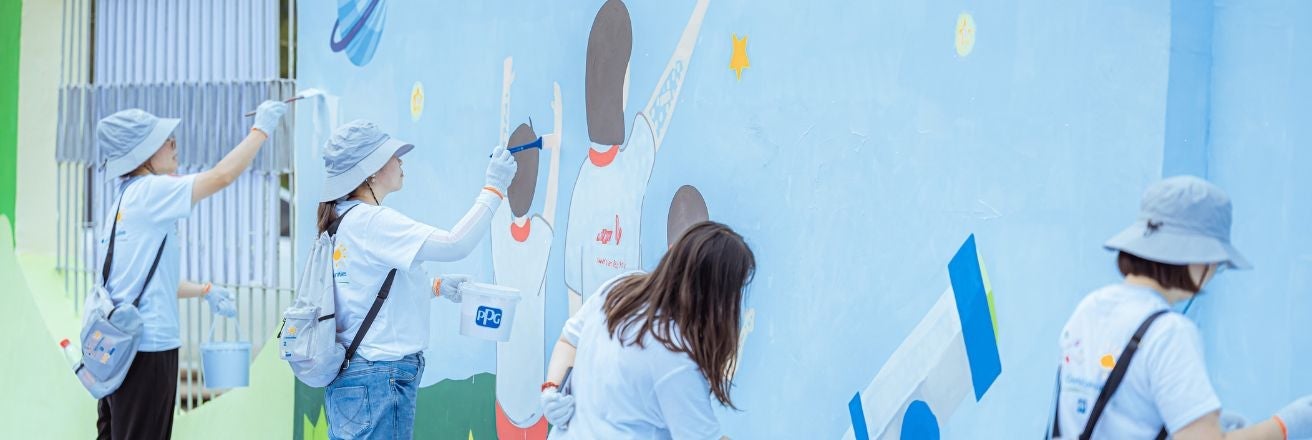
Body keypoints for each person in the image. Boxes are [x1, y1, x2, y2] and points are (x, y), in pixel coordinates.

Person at [1053, 176, 1312, 439]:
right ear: (1196, 256)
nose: (1213, 272)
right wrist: (1287, 423)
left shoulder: (1089, 307)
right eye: (1217, 262)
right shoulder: (1169, 332)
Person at [93, 101, 287, 439]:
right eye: (164, 140)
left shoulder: (123, 200)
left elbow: (147, 279)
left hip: (116, 351)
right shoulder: (152, 192)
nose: (173, 144)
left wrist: (204, 291)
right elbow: (222, 176)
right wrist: (261, 130)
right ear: (142, 155)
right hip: (148, 349)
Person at [317, 120, 516, 439]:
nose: (400, 161)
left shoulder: (342, 220)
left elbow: (362, 292)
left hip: (354, 377)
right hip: (380, 377)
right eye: (392, 155)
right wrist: (493, 189)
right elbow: (455, 244)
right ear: (369, 171)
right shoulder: (372, 221)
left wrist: (435, 287)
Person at [540, 221, 754, 439]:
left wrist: (551, 388)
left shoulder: (619, 290)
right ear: (716, 293)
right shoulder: (675, 357)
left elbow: (567, 341)